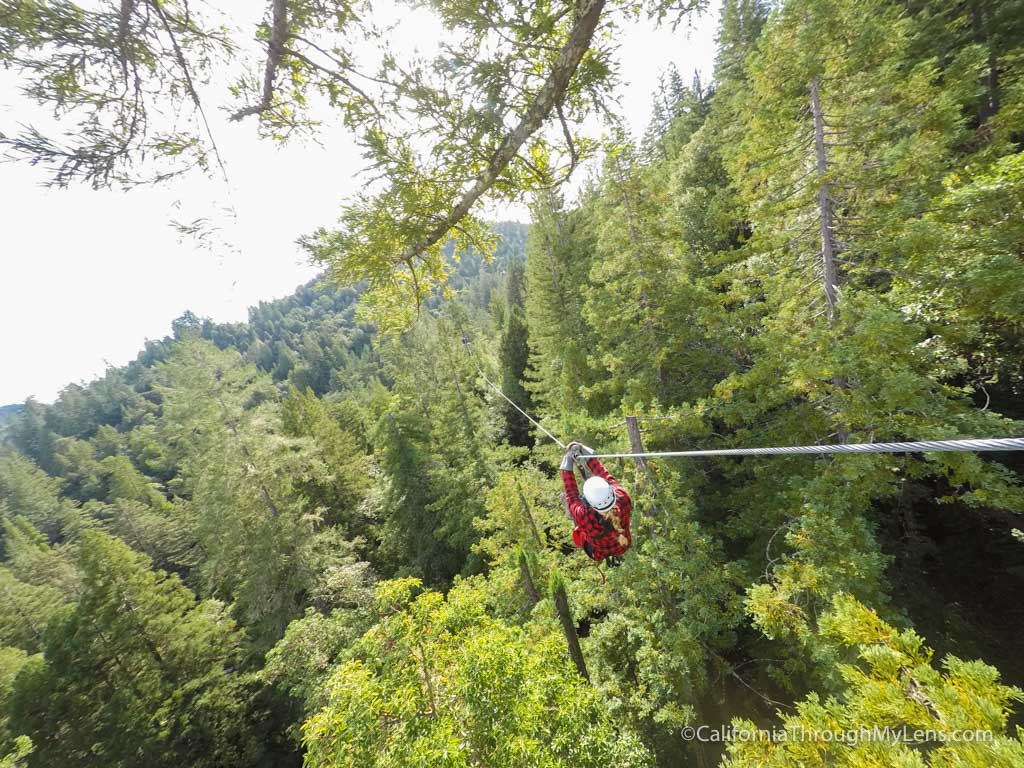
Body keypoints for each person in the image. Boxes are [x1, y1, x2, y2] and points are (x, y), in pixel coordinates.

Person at [560, 440, 632, 566]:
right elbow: (605, 475)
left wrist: (568, 460)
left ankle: (572, 513)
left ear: (589, 502)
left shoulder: (584, 516)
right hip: (623, 544)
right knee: (577, 513)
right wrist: (584, 451)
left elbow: (571, 495)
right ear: (610, 492)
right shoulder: (623, 497)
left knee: (576, 515)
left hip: (598, 552)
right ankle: (573, 511)